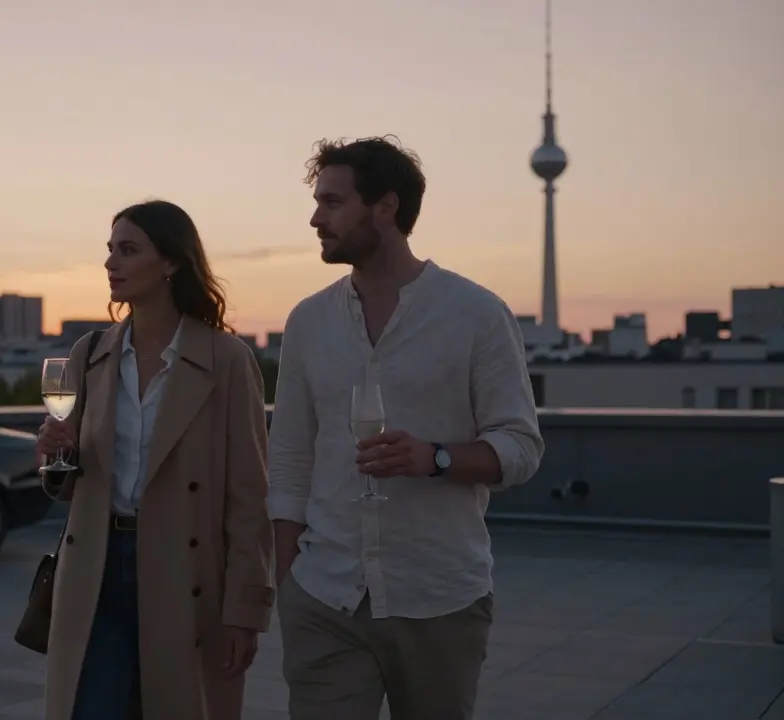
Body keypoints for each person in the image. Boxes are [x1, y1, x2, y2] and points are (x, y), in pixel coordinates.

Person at [268, 137, 545, 720]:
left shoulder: (475, 313)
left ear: (385, 208)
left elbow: (520, 448)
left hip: (439, 598)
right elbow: (290, 459)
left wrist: (435, 458)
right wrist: (289, 580)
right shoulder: (308, 321)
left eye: (333, 202)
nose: (316, 218)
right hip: (325, 599)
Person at [36, 199, 275, 720]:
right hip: (95, 569)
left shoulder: (226, 361)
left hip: (183, 571)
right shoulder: (90, 353)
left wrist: (245, 612)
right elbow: (73, 482)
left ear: (170, 263)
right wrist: (56, 455)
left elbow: (249, 498)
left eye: (128, 250)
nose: (110, 264)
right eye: (109, 250)